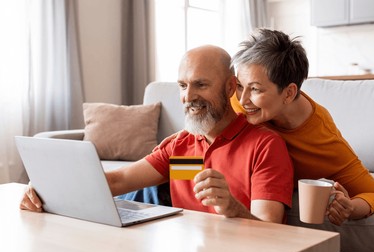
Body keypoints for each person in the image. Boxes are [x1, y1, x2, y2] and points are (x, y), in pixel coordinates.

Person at [20, 45, 294, 223]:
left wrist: (233, 208)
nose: (188, 96)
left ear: (230, 87)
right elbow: (120, 180)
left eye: (201, 84)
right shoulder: (181, 147)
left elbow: (270, 227)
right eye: (183, 85)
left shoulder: (265, 146)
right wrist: (49, 188)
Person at [230, 28, 374, 226]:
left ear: (288, 93)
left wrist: (350, 207)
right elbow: (194, 144)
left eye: (255, 89)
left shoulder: (324, 140)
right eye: (240, 86)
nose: (242, 100)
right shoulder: (236, 103)